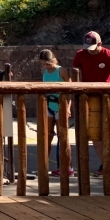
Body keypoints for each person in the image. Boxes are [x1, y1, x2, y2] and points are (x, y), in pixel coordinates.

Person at [72, 31, 110, 175]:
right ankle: (106, 164)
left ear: (100, 44)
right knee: (94, 132)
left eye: (93, 47)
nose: (90, 51)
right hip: (89, 98)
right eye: (87, 47)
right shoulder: (80, 55)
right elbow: (76, 75)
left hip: (108, 97)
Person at [39, 49, 73, 177]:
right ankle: (44, 165)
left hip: (61, 105)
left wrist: (68, 107)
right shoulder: (44, 72)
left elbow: (70, 90)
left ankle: (66, 167)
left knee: (62, 137)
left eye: (47, 64)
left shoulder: (62, 71)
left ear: (53, 60)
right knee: (47, 135)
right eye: (42, 64)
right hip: (49, 105)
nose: (45, 67)